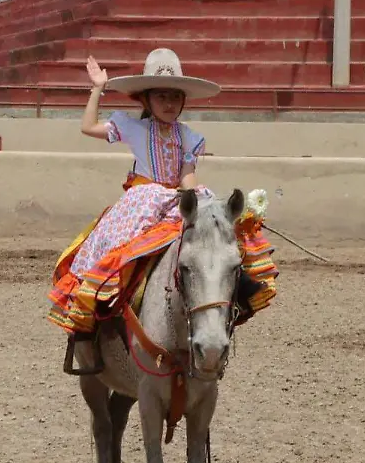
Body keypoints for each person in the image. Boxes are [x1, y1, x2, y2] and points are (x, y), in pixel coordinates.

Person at [47, 48, 278, 336]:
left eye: (175, 97)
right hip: (144, 201)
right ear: (146, 99)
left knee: (216, 237)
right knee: (116, 250)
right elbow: (88, 126)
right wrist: (97, 89)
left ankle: (234, 291)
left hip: (177, 198)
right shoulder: (133, 128)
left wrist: (197, 204)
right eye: (161, 96)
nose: (169, 104)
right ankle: (99, 315)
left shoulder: (189, 137)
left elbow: (187, 177)